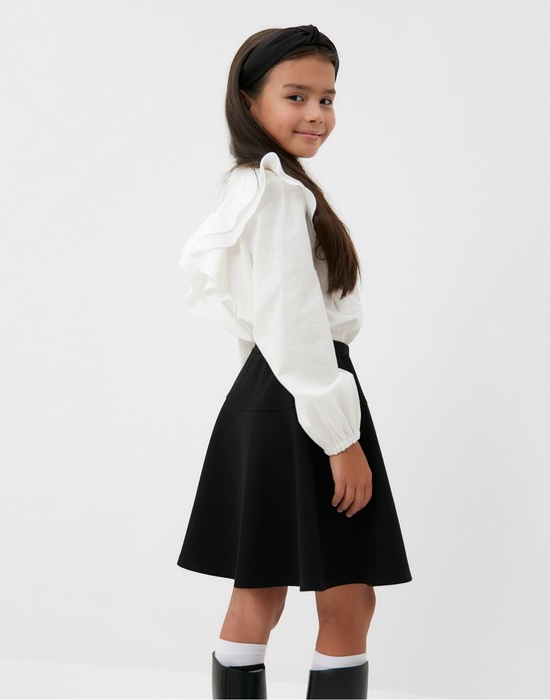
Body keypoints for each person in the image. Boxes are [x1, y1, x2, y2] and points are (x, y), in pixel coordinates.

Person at [177, 24, 413, 699]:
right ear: (249, 101)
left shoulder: (252, 186)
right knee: (348, 597)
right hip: (307, 394)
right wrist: (341, 439)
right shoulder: (278, 191)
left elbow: (261, 319)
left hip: (268, 391)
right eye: (296, 96)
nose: (316, 113)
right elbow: (293, 321)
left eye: (327, 98)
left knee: (260, 588)